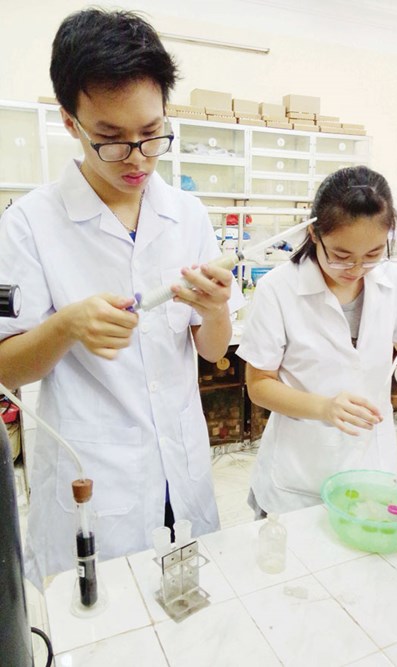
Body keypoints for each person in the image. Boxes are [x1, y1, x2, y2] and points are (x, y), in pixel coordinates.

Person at [0, 9, 243, 589]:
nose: (137, 158)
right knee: (98, 616)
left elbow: (213, 351)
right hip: (96, 478)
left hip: (181, 470)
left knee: (188, 602)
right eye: (110, 139)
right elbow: (7, 368)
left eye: (151, 133)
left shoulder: (187, 215)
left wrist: (214, 309)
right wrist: (66, 326)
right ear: (70, 122)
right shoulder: (29, 224)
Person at [237, 166, 397, 516]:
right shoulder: (278, 289)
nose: (356, 269)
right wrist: (324, 408)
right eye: (341, 257)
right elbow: (259, 385)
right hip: (300, 475)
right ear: (314, 233)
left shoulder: (391, 280)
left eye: (372, 254)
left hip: (370, 462)